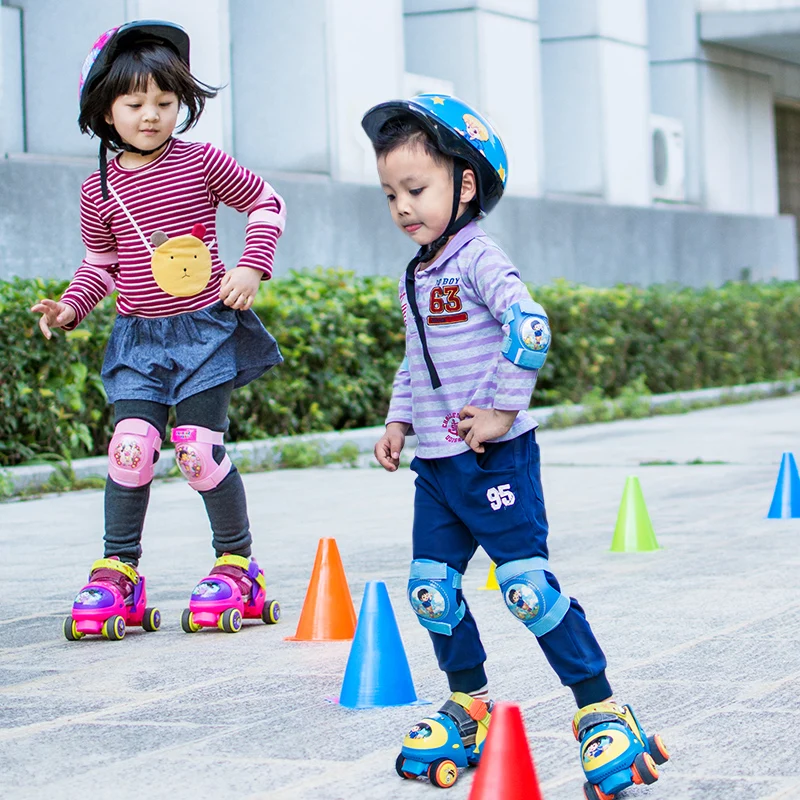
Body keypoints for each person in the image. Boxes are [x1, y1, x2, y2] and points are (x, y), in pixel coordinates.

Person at [361, 95, 668, 792]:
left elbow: (530, 327)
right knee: (430, 591)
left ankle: (601, 709)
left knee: (526, 589)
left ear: (464, 185)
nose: (402, 207)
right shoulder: (415, 275)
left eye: (416, 189)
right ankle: (467, 703)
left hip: (496, 459)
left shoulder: (477, 257)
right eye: (390, 195)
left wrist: (501, 411)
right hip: (439, 468)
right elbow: (417, 363)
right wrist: (397, 422)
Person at [31, 21, 285, 636]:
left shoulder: (200, 160)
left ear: (182, 104)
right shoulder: (98, 188)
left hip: (203, 333)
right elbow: (101, 265)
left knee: (197, 451)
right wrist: (70, 307)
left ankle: (236, 564)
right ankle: (119, 569)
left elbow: (265, 202)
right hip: (140, 338)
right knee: (130, 450)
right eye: (135, 103)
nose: (151, 115)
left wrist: (252, 265)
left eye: (165, 103)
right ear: (104, 109)